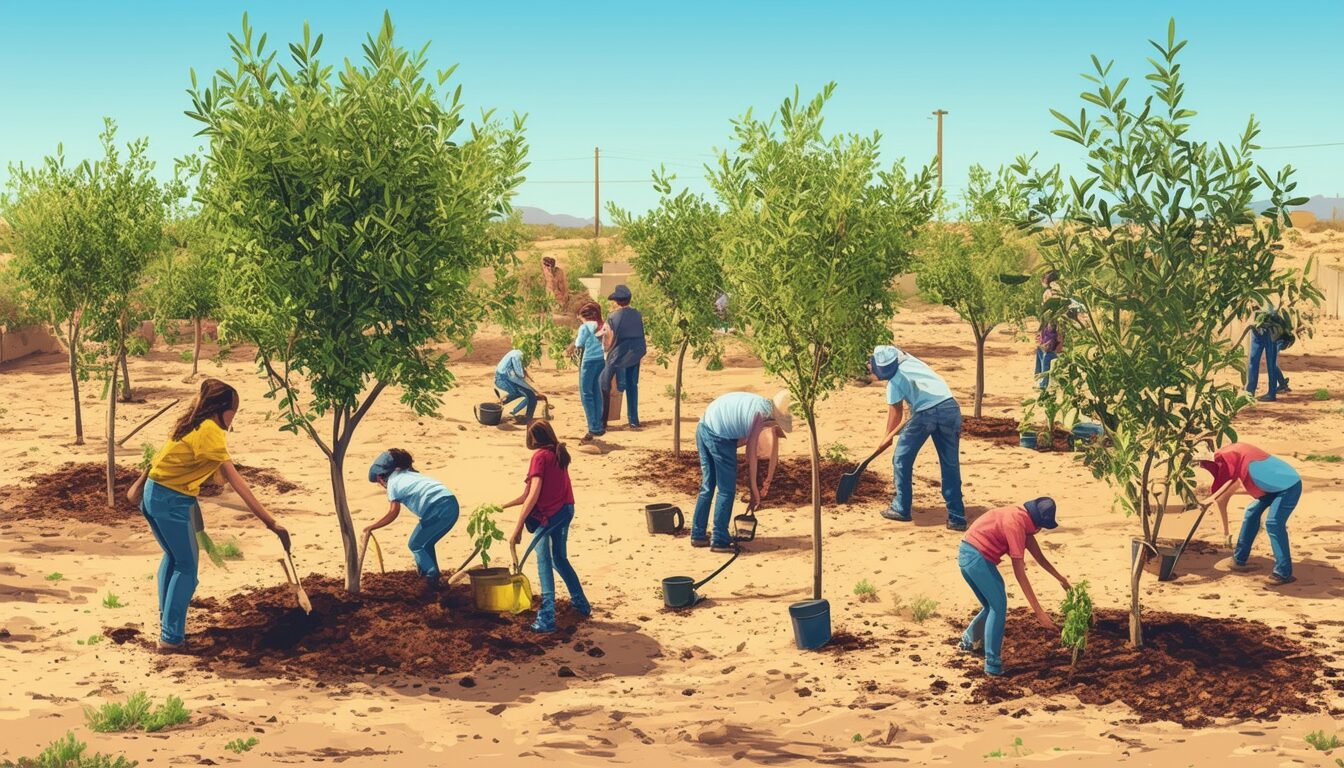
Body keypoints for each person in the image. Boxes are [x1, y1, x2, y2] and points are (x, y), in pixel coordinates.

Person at [127, 379, 291, 651]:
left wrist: (138, 489)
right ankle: (171, 638)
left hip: (156, 495)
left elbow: (159, 459)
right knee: (187, 568)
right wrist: (270, 521)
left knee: (173, 558)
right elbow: (236, 480)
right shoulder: (210, 431)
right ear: (220, 409)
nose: (234, 418)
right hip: (171, 500)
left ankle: (168, 624)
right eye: (233, 411)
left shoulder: (190, 423)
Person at [958, 497, 1068, 677]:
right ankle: (992, 665)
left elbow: (1038, 557)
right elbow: (1020, 573)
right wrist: (1039, 613)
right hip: (976, 559)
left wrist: (1061, 579)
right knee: (998, 606)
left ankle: (969, 642)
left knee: (991, 605)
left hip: (967, 554)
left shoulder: (1021, 516)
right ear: (1037, 524)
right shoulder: (1016, 526)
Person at [503, 420, 591, 632]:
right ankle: (581, 604)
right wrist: (503, 506)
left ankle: (547, 619)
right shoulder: (557, 454)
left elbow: (533, 495)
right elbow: (527, 494)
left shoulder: (540, 457)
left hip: (550, 515)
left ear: (532, 438)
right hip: (566, 510)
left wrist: (518, 527)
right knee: (559, 559)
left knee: (543, 562)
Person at [868, 345, 967, 530]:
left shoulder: (894, 382)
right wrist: (890, 435)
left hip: (924, 415)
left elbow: (896, 413)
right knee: (950, 464)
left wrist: (885, 438)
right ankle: (957, 517)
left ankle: (901, 507)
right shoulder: (914, 362)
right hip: (950, 408)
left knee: (901, 459)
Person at [692, 390, 792, 552]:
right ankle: (719, 539)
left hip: (703, 426)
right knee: (726, 490)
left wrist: (767, 480)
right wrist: (753, 489)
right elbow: (750, 454)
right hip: (719, 435)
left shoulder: (760, 405)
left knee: (708, 485)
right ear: (776, 416)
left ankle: (698, 534)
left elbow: (767, 448)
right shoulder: (761, 417)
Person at [1198, 442, 1302, 585]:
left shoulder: (1241, 462)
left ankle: (1283, 572)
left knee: (1274, 523)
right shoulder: (1235, 459)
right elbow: (1229, 486)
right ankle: (1239, 559)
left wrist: (1214, 499)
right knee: (1251, 512)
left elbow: (1229, 487)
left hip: (1289, 486)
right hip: (1273, 488)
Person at [363, 448, 460, 590]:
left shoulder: (393, 483)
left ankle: (431, 577)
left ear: (381, 477)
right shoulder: (410, 474)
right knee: (426, 544)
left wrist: (372, 526)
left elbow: (393, 512)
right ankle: (431, 579)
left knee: (415, 544)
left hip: (437, 508)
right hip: (451, 505)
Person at [597, 284, 647, 430]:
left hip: (619, 354)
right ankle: (633, 420)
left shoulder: (613, 316)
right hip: (636, 352)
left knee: (603, 383)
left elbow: (608, 339)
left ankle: (603, 419)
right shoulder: (637, 314)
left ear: (617, 301)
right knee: (632, 386)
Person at [566, 302, 606, 442]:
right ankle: (599, 426)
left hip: (588, 361)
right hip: (601, 360)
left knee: (586, 394)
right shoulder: (603, 325)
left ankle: (593, 427)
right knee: (596, 392)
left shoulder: (585, 327)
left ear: (585, 316)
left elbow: (579, 344)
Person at [1246, 303, 1285, 402]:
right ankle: (1250, 392)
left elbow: (1274, 309)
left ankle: (1271, 393)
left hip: (1270, 329)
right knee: (1253, 360)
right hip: (1256, 328)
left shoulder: (1272, 292)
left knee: (1270, 362)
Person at [495, 348, 545, 421]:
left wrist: (533, 390)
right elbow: (516, 377)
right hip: (503, 380)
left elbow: (518, 376)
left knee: (525, 393)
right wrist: (533, 391)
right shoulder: (517, 356)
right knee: (531, 396)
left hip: (503, 377)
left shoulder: (516, 353)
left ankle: (507, 406)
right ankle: (519, 415)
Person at [1035, 270, 1063, 390]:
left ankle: (1043, 382)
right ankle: (1044, 381)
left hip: (1051, 326)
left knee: (1046, 352)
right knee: (1045, 351)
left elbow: (1046, 311)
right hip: (1051, 326)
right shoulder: (1059, 292)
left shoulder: (1049, 293)